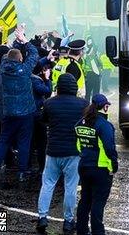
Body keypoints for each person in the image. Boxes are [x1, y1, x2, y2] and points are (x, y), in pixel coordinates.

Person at [36, 74, 88, 234]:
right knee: (70, 187)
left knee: (48, 184)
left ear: (58, 86)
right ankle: (68, 220)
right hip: (73, 152)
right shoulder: (83, 104)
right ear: (74, 86)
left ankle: (42, 217)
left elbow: (42, 119)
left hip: (53, 151)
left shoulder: (50, 103)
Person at [0, 29, 39, 182]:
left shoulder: (3, 67)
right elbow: (34, 54)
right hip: (26, 112)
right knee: (24, 141)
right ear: (21, 59)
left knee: (3, 140)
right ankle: (22, 172)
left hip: (8, 111)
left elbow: (9, 54)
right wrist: (24, 40)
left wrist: (16, 42)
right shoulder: (25, 70)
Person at [75, 94, 118, 235]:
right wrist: (114, 164)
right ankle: (98, 231)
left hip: (84, 166)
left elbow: (78, 144)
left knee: (85, 199)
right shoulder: (104, 125)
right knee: (98, 202)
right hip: (100, 168)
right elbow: (109, 148)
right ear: (104, 106)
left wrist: (85, 154)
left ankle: (81, 230)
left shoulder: (82, 121)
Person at [83, 36, 102, 101]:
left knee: (92, 92)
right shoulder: (87, 55)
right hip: (91, 74)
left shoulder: (92, 55)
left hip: (92, 74)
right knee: (90, 92)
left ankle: (91, 106)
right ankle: (91, 106)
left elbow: (100, 65)